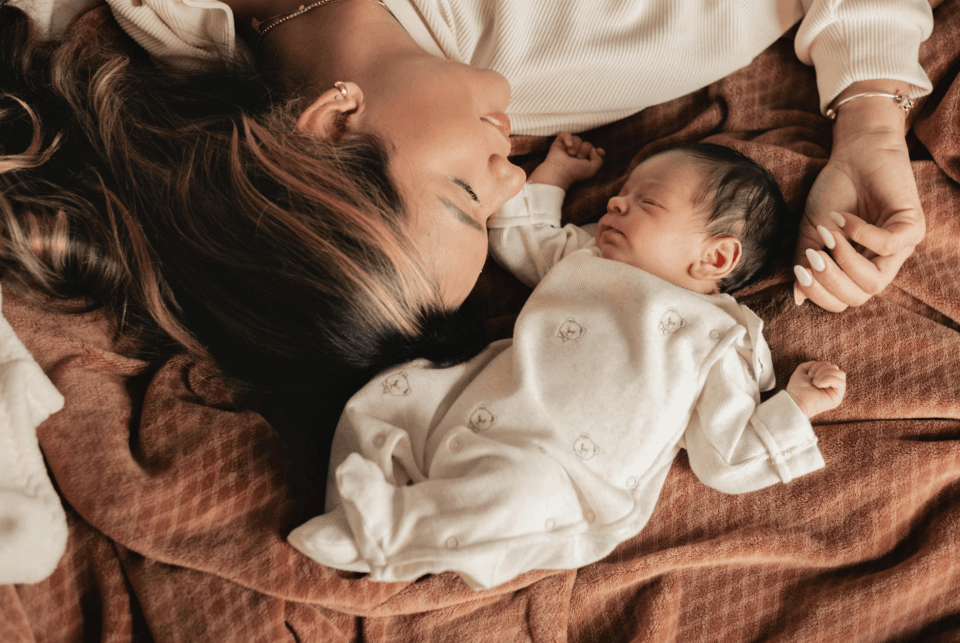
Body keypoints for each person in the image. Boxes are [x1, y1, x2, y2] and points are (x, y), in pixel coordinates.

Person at [0, 0, 932, 394]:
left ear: (330, 124)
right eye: (495, 211)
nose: (514, 173)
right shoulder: (597, 37)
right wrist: (870, 124)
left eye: (460, 194)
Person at [286, 135, 847, 590]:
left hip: (569, 473)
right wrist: (556, 173)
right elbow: (519, 238)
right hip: (483, 397)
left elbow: (723, 457)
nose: (616, 203)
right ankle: (349, 511)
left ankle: (392, 532)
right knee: (392, 395)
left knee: (514, 496)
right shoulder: (589, 255)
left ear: (716, 255)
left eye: (648, 202)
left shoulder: (721, 338)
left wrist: (795, 406)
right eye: (620, 194)